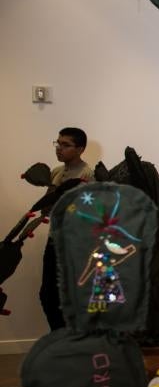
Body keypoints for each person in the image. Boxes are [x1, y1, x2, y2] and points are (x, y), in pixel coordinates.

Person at [40, 127, 94, 330]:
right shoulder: (55, 172)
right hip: (54, 241)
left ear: (80, 149)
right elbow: (46, 210)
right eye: (58, 143)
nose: (59, 149)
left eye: (66, 145)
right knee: (47, 295)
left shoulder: (88, 174)